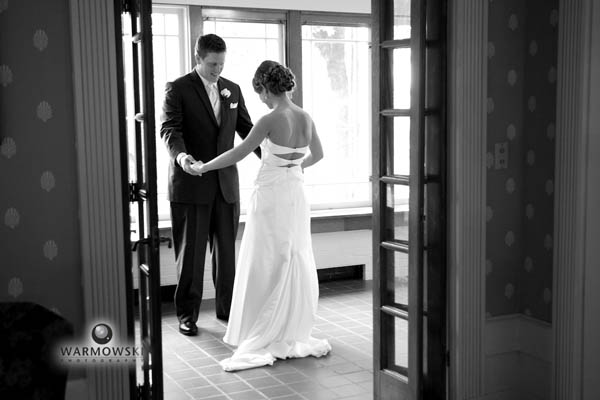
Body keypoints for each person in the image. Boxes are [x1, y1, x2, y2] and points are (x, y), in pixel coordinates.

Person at [192, 60, 331, 371]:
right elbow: (318, 155)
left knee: (264, 257)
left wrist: (203, 167)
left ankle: (265, 328)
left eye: (261, 94)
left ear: (267, 88)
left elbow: (239, 153)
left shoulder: (270, 119)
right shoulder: (306, 117)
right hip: (295, 193)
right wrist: (293, 168)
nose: (261, 99)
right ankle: (290, 326)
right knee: (291, 254)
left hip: (270, 196)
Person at [160, 34, 259, 336]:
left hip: (226, 185)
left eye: (221, 64)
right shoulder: (177, 89)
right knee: (190, 256)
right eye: (212, 64)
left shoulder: (233, 90)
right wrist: (182, 158)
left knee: (226, 253)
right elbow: (169, 129)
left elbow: (247, 130)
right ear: (198, 59)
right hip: (191, 183)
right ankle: (187, 316)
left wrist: (271, 155)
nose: (218, 70)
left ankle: (227, 310)